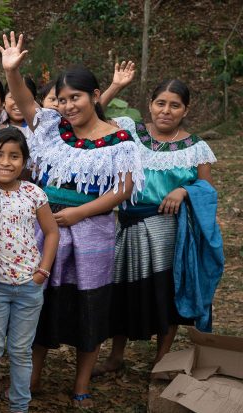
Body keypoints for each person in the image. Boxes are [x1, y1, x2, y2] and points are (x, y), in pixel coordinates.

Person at [0, 32, 144, 408]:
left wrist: (79, 213)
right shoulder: (50, 128)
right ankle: (32, 377)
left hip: (93, 232)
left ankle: (81, 383)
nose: (67, 106)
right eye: (61, 99)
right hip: (44, 230)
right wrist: (11, 71)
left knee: (89, 306)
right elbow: (27, 102)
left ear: (95, 96)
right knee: (39, 303)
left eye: (75, 98)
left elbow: (122, 191)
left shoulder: (120, 140)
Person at [93, 79, 217, 376]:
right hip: (127, 222)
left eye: (175, 105)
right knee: (122, 288)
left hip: (168, 230)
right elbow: (93, 117)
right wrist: (116, 86)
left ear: (185, 109)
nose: (166, 110)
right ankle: (116, 356)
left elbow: (207, 189)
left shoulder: (195, 147)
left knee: (165, 290)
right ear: (150, 105)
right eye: (161, 103)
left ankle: (161, 360)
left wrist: (185, 191)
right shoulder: (130, 133)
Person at [0, 128, 59, 413]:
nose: (6, 162)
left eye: (14, 156)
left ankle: (19, 412)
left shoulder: (34, 193)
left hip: (29, 286)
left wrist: (43, 271)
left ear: (24, 161)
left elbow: (51, 232)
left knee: (21, 351)